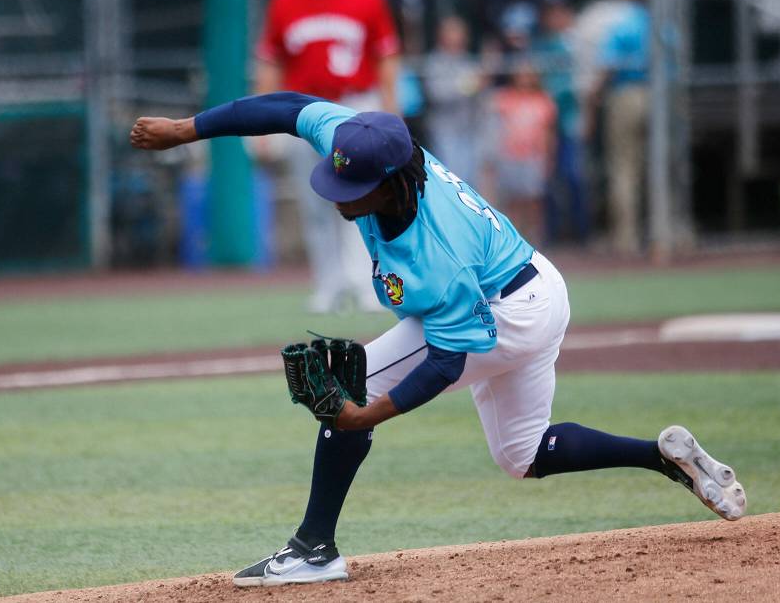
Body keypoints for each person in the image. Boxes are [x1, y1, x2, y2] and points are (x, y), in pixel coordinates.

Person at [130, 93, 747, 587]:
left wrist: (366, 414)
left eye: (355, 190)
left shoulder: (436, 252)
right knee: (522, 455)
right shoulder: (361, 143)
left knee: (354, 383)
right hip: (534, 284)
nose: (340, 196)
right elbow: (284, 108)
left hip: (505, 310)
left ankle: (314, 548)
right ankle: (663, 457)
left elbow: (447, 360)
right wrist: (186, 130)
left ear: (395, 184)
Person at [254, 0, 400, 313]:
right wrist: (261, 122)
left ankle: (367, 285)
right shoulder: (285, 2)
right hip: (304, 110)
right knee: (314, 200)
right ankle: (329, 284)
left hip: (356, 104)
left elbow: (386, 55)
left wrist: (391, 107)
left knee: (364, 196)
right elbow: (270, 63)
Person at [585, 0, 650, 255]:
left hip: (627, 94)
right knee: (659, 166)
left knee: (624, 169)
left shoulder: (623, 18)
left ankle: (627, 241)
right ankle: (668, 232)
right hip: (659, 95)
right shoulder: (658, 16)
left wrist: (592, 100)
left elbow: (607, 66)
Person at [532, 0, 591, 244]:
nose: (555, 18)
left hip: (569, 123)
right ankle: (552, 235)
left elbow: (583, 87)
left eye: (559, 12)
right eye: (551, 13)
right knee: (545, 180)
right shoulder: (539, 46)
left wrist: (588, 116)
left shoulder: (576, 44)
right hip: (542, 127)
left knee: (574, 176)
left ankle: (582, 235)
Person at [491, 59, 557, 247]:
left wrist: (548, 157)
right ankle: (514, 239)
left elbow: (548, 134)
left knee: (533, 200)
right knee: (513, 200)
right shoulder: (506, 99)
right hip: (511, 155)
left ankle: (535, 238)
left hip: (533, 156)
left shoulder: (543, 101)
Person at [423, 16, 487, 188]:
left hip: (469, 128)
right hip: (445, 130)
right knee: (451, 181)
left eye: (459, 33)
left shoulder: (468, 60)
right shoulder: (434, 61)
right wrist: (468, 86)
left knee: (469, 181)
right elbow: (436, 93)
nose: (456, 37)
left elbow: (480, 93)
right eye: (451, 32)